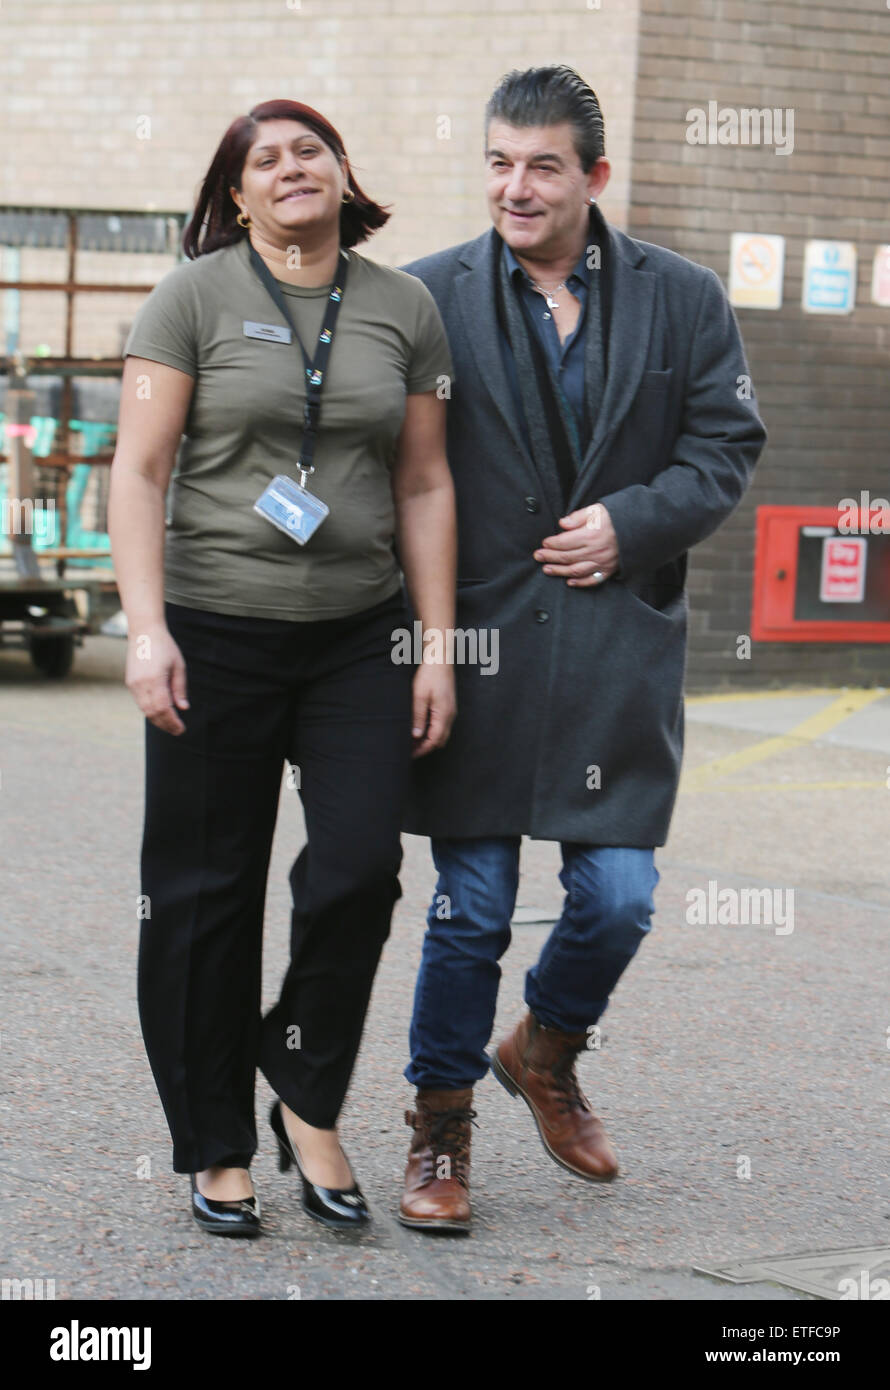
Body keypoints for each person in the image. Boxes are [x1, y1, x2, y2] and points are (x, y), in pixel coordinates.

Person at [397, 66, 767, 1232]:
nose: (515, 186)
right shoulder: (427, 295)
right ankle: (438, 1125)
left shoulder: (685, 297)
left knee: (616, 898)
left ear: (592, 175)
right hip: (479, 643)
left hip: (614, 646)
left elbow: (723, 444)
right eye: (499, 162)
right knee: (471, 902)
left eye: (541, 165)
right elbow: (399, 472)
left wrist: (633, 519)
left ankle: (544, 1047)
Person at [108, 98, 456, 1238]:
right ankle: (214, 1142)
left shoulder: (401, 305)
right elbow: (141, 470)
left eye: (309, 147)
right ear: (238, 194)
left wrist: (436, 641)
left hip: (358, 632)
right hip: (215, 628)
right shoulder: (191, 297)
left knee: (358, 866)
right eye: (265, 158)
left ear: (343, 173)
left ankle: (302, 1088)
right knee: (206, 895)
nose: (291, 166)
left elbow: (421, 482)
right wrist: (147, 629)